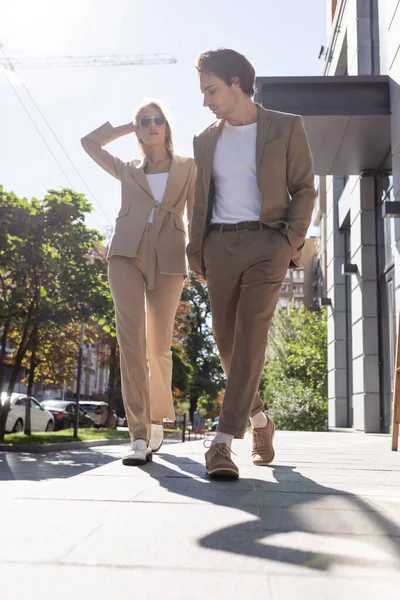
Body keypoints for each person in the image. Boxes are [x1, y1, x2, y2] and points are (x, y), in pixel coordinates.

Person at [187, 48, 316, 479]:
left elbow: (304, 188)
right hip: (219, 246)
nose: (206, 100)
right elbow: (200, 199)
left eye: (211, 89)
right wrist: (196, 251)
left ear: (237, 82)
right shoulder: (205, 139)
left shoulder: (285, 126)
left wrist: (288, 242)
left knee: (251, 335)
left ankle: (222, 443)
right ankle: (261, 421)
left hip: (268, 244)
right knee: (227, 345)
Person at [81, 100, 196, 466]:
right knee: (130, 343)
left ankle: (158, 413)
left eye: (157, 120)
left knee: (158, 345)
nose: (151, 126)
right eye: (144, 122)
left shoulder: (189, 167)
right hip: (125, 255)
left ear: (167, 125)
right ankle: (138, 436)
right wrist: (124, 128)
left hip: (169, 257)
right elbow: (89, 143)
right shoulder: (128, 168)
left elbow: (197, 214)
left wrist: (199, 257)